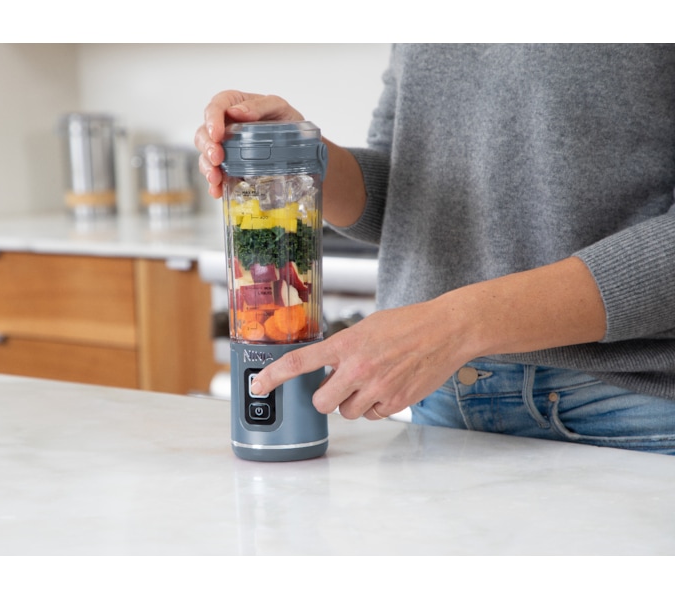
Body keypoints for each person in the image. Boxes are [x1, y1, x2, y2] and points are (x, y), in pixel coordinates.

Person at [195, 44, 675, 455]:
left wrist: (454, 326)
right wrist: (298, 155)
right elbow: (403, 191)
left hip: (627, 412)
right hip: (442, 405)